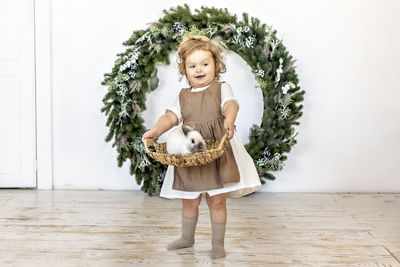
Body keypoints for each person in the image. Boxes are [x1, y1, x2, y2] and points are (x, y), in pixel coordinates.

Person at [142, 35, 261, 259]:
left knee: (216, 200)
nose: (199, 69)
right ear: (185, 70)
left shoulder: (221, 88)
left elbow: (231, 104)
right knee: (189, 199)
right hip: (190, 153)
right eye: (192, 66)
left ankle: (218, 243)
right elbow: (170, 117)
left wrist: (229, 118)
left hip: (216, 151)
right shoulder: (183, 96)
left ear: (217, 65)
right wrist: (156, 131)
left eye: (205, 64)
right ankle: (187, 237)